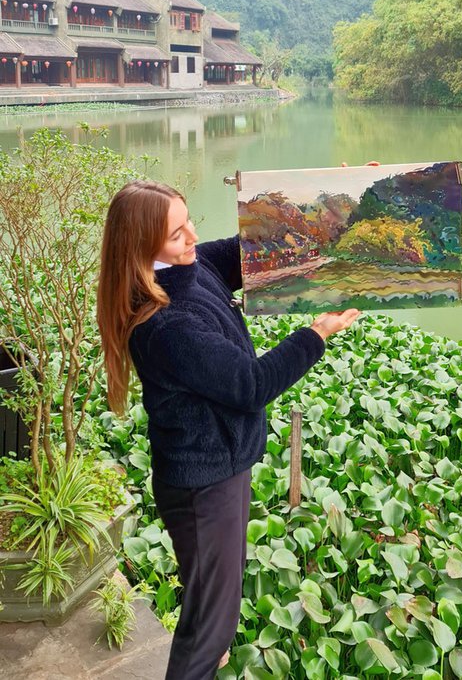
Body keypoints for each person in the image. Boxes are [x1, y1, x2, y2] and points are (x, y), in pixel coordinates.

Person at [97, 179, 360, 680]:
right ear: (141, 247)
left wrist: (339, 197)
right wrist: (316, 332)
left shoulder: (188, 270)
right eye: (176, 233)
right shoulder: (167, 323)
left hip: (218, 471)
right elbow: (251, 384)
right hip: (203, 487)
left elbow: (259, 251)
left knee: (214, 614)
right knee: (208, 632)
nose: (192, 235)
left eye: (189, 219)